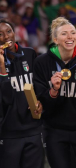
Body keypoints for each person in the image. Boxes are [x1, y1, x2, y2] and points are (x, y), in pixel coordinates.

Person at [0, 18, 44, 168]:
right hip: (6, 133)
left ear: (14, 33)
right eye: (1, 34)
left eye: (9, 31)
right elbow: (2, 98)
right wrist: (2, 65)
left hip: (33, 130)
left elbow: (39, 85)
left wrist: (41, 102)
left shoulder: (30, 54)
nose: (6, 36)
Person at [33, 17, 76, 167]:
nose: (70, 37)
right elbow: (41, 101)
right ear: (55, 39)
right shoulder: (42, 62)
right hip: (54, 130)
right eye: (64, 34)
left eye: (73, 33)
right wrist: (54, 90)